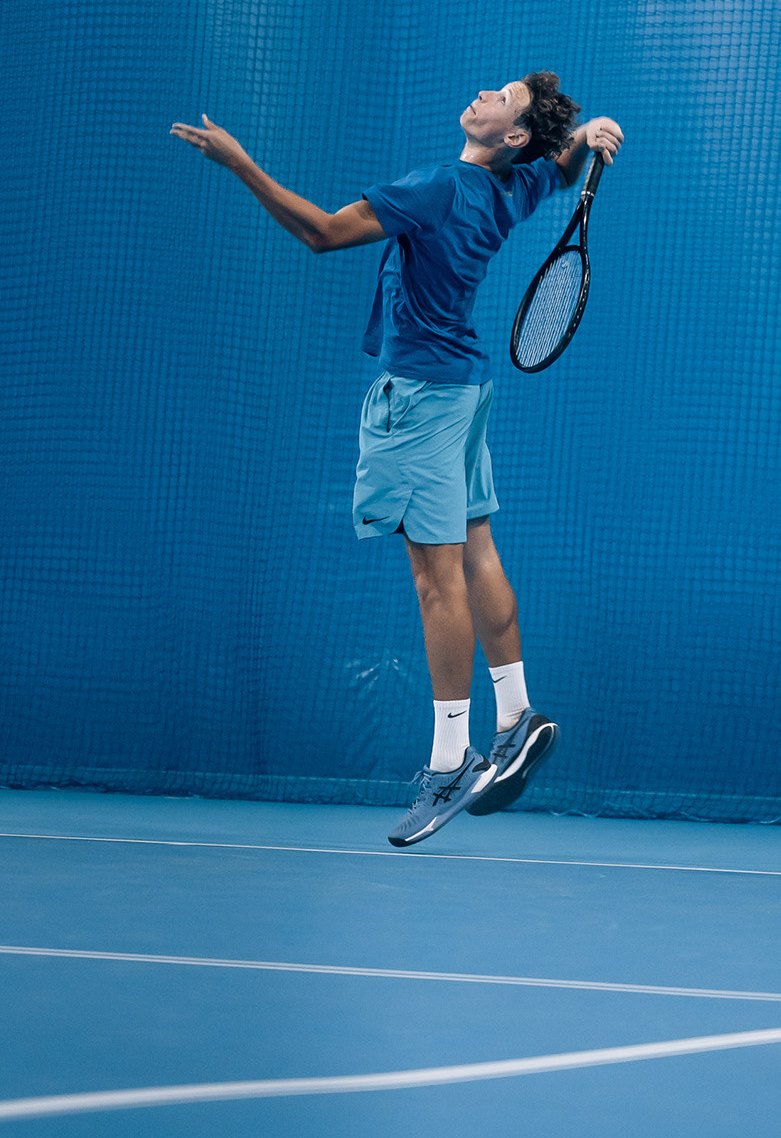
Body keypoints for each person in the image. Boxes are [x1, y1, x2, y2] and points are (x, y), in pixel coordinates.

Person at [171, 74, 622, 847]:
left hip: (418, 401)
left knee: (435, 579)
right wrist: (582, 138)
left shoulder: (437, 187)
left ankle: (451, 761)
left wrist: (238, 162)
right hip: (466, 392)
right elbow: (556, 172)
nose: (483, 93)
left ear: (512, 135)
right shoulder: (510, 190)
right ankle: (516, 713)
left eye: (503, 97)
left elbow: (321, 233)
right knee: (477, 551)